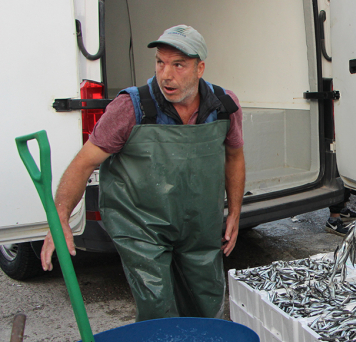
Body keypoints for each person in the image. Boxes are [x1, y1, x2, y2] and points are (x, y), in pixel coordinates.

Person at [40, 25, 246, 321]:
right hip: (140, 222)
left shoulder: (224, 105)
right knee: (157, 306)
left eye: (178, 65)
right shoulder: (130, 107)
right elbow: (83, 163)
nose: (166, 75)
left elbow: (234, 157)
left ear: (200, 68)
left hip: (198, 221)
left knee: (207, 302)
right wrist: (60, 217)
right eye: (160, 62)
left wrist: (235, 212)